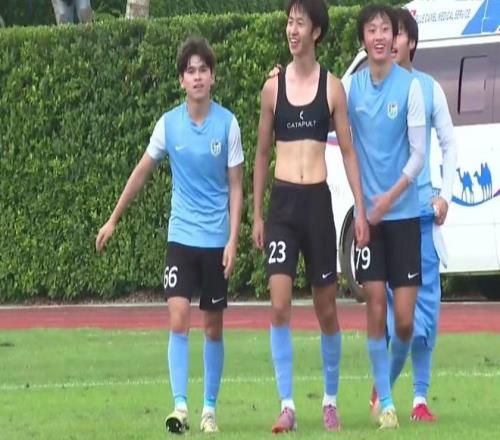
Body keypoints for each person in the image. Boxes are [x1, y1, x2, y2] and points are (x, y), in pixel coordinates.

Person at [95, 36, 244, 434]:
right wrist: (113, 219)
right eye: (190, 71)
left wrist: (233, 239)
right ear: (181, 80)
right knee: (178, 319)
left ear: (212, 77)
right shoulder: (168, 124)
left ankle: (209, 409)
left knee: (213, 327)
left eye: (203, 70)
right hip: (181, 237)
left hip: (215, 240)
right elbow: (141, 172)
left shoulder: (228, 124)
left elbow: (236, 186)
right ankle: (180, 407)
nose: (197, 77)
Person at [253, 0, 369, 433]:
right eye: (289, 22)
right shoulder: (272, 88)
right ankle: (287, 405)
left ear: (316, 31)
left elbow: (350, 152)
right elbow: (261, 153)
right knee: (279, 304)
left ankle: (330, 402)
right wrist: (257, 215)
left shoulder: (333, 88)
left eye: (300, 23)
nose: (292, 30)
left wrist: (361, 210)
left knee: (327, 310)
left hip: (317, 204)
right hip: (283, 206)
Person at [342, 4, 426, 429]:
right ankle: (389, 405)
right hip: (369, 222)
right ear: (363, 39)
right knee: (375, 304)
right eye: (372, 30)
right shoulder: (350, 88)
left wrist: (386, 201)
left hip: (403, 216)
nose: (379, 36)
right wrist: (363, 208)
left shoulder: (410, 88)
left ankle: (383, 388)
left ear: (395, 38)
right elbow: (317, 103)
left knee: (406, 323)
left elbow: (418, 156)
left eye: (386, 30)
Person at [371, 7, 457, 423]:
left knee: (425, 313)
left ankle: (418, 399)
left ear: (412, 43)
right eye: (384, 31)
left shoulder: (428, 88)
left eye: (398, 33)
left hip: (421, 217)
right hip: (384, 219)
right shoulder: (368, 86)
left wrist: (445, 196)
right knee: (392, 315)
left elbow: (449, 144)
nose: (389, 39)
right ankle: (384, 388)